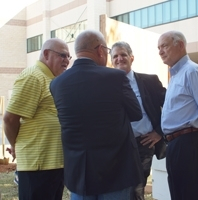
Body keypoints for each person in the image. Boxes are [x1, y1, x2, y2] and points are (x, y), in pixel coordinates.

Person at [50, 30, 144, 200]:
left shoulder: (57, 83)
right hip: (115, 172)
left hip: (79, 174)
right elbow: (136, 113)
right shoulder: (115, 77)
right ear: (100, 50)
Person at [3, 38, 71, 200]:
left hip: (53, 164)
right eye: (63, 55)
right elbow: (10, 119)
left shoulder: (51, 79)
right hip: (38, 166)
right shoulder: (33, 76)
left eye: (69, 57)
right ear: (46, 54)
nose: (67, 61)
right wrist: (15, 146)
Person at [157, 31, 198, 200]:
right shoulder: (175, 75)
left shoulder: (191, 71)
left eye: (164, 46)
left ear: (180, 45)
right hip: (175, 145)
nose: (160, 51)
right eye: (158, 48)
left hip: (189, 143)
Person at [111, 41, 166, 200]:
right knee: (119, 187)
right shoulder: (107, 84)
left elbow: (171, 107)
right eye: (115, 56)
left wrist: (159, 132)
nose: (119, 59)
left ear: (131, 57)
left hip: (144, 143)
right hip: (119, 144)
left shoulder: (149, 81)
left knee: (137, 187)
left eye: (123, 55)